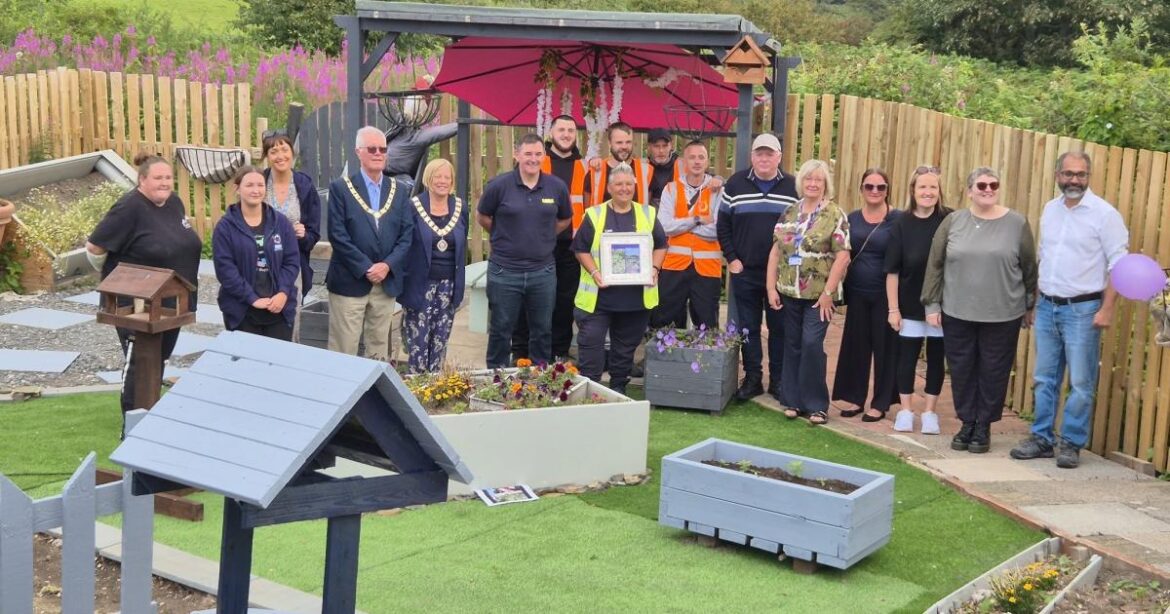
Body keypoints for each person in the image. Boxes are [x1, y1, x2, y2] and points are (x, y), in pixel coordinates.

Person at [1011, 152, 1129, 468]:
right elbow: (1044, 259)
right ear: (1057, 174)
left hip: (1083, 310)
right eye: (1068, 173)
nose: (1074, 180)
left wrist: (1106, 310)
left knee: (1080, 382)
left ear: (1088, 176)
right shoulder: (1050, 210)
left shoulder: (1105, 215)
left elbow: (1119, 265)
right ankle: (1041, 439)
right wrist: (1034, 303)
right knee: (1044, 378)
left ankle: (1071, 444)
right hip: (1048, 307)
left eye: (1080, 174)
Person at [923, 167, 1038, 454]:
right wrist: (932, 304)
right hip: (957, 311)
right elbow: (935, 265)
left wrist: (1029, 304)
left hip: (1003, 314)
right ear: (970, 190)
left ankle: (983, 426)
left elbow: (1029, 268)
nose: (988, 189)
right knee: (961, 369)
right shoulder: (953, 221)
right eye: (982, 185)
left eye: (993, 185)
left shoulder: (1017, 223)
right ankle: (966, 423)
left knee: (993, 370)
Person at [86, 153, 201, 432]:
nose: (164, 183)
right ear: (142, 180)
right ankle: (133, 424)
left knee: (159, 359)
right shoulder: (129, 207)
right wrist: (119, 280)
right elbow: (95, 247)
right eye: (158, 178)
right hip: (136, 307)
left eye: (168, 177)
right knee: (139, 363)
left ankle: (150, 415)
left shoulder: (173, 203)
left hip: (173, 303)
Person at [477, 132, 572, 368]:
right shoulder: (499, 186)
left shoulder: (556, 187)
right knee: (501, 329)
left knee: (542, 330)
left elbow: (565, 219)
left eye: (538, 154)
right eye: (528, 153)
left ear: (544, 155)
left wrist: (545, 236)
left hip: (543, 272)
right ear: (517, 155)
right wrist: (504, 235)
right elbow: (483, 216)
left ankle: (539, 382)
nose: (533, 158)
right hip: (504, 272)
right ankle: (496, 379)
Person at [766, 159, 850, 425]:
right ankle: (792, 401)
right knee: (791, 345)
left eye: (819, 180)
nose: (813, 184)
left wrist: (827, 293)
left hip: (818, 298)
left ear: (826, 184)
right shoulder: (790, 212)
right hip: (789, 291)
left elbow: (843, 257)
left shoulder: (835, 214)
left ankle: (816, 405)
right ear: (801, 182)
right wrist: (771, 287)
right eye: (808, 179)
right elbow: (776, 251)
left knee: (812, 345)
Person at [572, 163, 667, 394]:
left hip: (635, 300)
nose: (624, 188)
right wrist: (595, 273)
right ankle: (590, 391)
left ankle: (617, 388)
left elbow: (662, 245)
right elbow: (580, 249)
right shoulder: (594, 214)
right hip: (598, 298)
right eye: (618, 184)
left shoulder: (647, 213)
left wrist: (654, 269)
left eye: (628, 183)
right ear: (609, 187)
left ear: (634, 185)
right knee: (591, 348)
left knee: (624, 350)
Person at [717, 133, 798, 401]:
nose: (764, 158)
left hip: (780, 275)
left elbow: (800, 230)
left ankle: (778, 380)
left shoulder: (793, 187)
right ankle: (753, 378)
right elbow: (723, 225)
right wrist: (732, 259)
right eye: (759, 154)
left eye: (769, 153)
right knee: (748, 327)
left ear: (779, 157)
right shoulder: (735, 184)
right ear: (752, 156)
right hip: (746, 272)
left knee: (779, 328)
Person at [325, 126, 414, 360]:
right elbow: (337, 235)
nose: (378, 153)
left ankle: (374, 396)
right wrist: (366, 267)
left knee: (378, 350)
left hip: (386, 283)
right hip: (350, 281)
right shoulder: (341, 189)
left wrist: (386, 266)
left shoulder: (400, 190)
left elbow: (407, 234)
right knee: (344, 350)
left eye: (382, 149)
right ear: (358, 152)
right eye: (372, 148)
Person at [511, 115, 590, 362]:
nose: (566, 134)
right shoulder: (535, 161)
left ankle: (559, 351)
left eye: (571, 130)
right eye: (561, 129)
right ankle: (521, 351)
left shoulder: (587, 166)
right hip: (536, 245)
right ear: (551, 132)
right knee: (527, 298)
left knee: (564, 301)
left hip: (571, 246)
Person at [885, 166, 951, 434]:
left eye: (933, 187)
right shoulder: (901, 222)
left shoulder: (950, 219)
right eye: (922, 187)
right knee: (907, 358)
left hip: (941, 306)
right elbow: (892, 271)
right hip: (909, 305)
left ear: (939, 191)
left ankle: (930, 413)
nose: (928, 192)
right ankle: (906, 410)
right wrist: (893, 309)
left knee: (937, 359)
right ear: (913, 190)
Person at [833, 169, 901, 422]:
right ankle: (854, 397)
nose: (875, 191)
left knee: (886, 349)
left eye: (880, 187)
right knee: (856, 346)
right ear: (861, 189)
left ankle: (881, 402)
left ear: (887, 190)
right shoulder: (851, 218)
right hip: (858, 292)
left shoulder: (898, 219)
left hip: (887, 295)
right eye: (869, 186)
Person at [212, 166, 300, 340]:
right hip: (243, 310)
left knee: (277, 363)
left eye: (260, 185)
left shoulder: (280, 223)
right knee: (246, 364)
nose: (255, 190)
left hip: (278, 308)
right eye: (249, 185)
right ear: (237, 189)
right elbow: (225, 270)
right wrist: (251, 298)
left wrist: (282, 293)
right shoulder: (225, 227)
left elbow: (291, 261)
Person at [399, 159, 470, 373]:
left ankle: (434, 387)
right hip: (420, 285)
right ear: (429, 179)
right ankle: (416, 387)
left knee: (440, 339)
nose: (442, 181)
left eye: (447, 177)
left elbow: (462, 240)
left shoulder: (460, 207)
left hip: (449, 286)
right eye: (438, 176)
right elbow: (404, 243)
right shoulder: (413, 206)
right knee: (418, 341)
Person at [652, 140, 722, 330]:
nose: (697, 161)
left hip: (707, 268)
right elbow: (664, 226)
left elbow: (717, 230)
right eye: (692, 157)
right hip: (674, 266)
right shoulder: (671, 189)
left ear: (707, 162)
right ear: (683, 162)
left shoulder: (718, 190)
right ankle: (666, 360)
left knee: (707, 325)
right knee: (665, 321)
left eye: (701, 157)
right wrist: (697, 219)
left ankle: (703, 360)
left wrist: (681, 225)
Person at [261, 131, 321, 338]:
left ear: (292, 153)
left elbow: (314, 233)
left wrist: (303, 235)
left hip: (291, 265)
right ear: (266, 156)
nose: (280, 156)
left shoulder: (304, 186)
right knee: (258, 321)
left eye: (284, 150)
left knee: (288, 322)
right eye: (273, 151)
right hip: (258, 264)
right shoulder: (259, 182)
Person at [588, 122, 651, 206]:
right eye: (619, 142)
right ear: (609, 144)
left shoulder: (646, 170)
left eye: (628, 142)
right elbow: (587, 209)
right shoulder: (595, 171)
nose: (624, 146)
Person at [646, 128, 682, 207]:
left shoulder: (682, 165)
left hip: (676, 215)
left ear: (671, 145)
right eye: (656, 146)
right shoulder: (642, 167)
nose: (661, 150)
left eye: (665, 146)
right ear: (649, 147)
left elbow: (705, 177)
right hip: (649, 216)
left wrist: (716, 179)